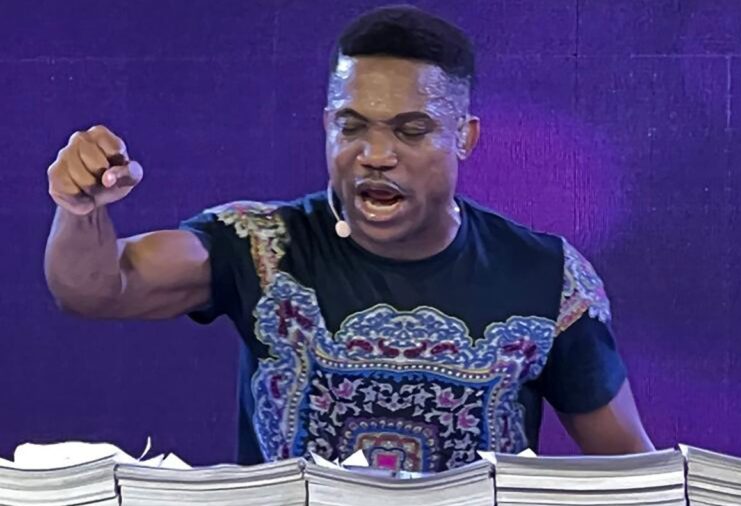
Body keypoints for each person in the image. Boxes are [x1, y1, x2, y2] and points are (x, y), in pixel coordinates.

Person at [43, 5, 653, 472]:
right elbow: (97, 289)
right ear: (327, 127)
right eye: (352, 126)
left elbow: (632, 478)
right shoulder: (260, 245)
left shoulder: (547, 278)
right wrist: (80, 210)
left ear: (463, 138)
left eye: (411, 130)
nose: (376, 154)